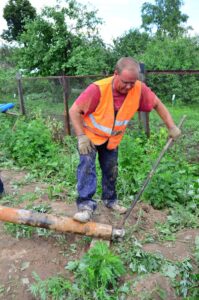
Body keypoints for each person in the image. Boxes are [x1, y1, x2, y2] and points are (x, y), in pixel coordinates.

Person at [69, 57, 181, 223]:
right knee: (87, 166)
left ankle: (110, 200)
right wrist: (81, 137)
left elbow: (157, 103)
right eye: (125, 82)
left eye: (133, 82)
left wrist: (171, 126)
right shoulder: (98, 89)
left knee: (111, 169)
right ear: (116, 74)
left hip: (112, 140)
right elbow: (74, 110)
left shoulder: (138, 89)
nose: (129, 87)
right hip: (90, 137)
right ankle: (85, 206)